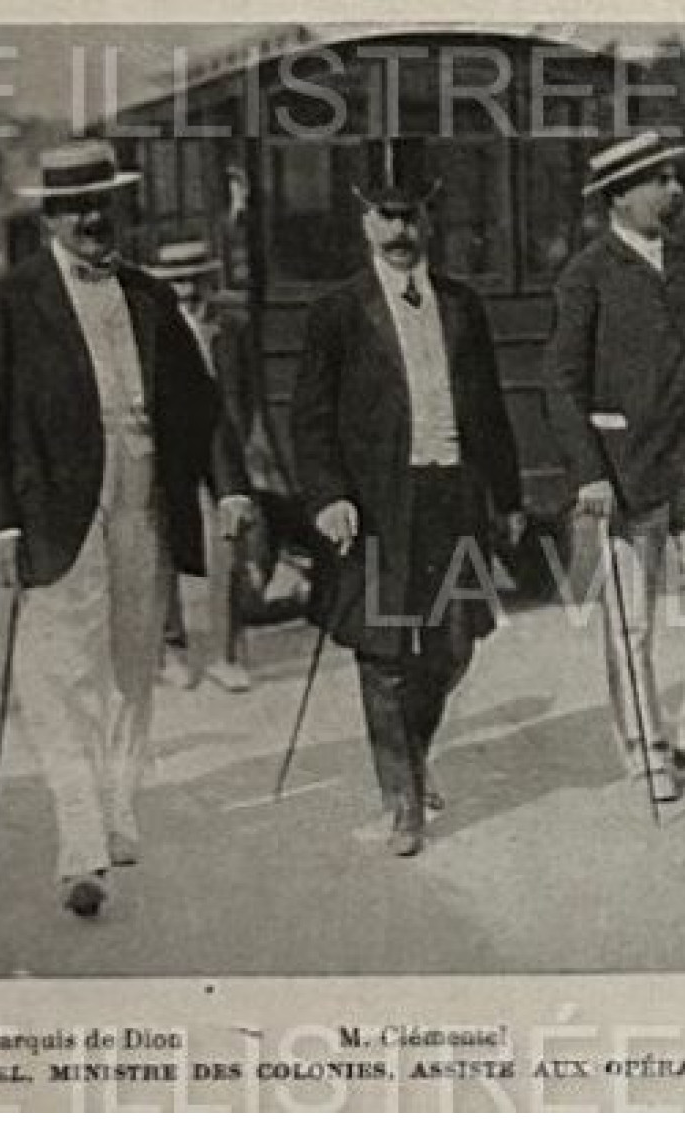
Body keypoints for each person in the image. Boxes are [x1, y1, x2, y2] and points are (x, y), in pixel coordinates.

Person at [0, 141, 251, 918]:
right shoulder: (13, 301)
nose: (93, 218)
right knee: (58, 673)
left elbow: (202, 406)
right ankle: (79, 834)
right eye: (76, 206)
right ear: (51, 216)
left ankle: (119, 806)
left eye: (105, 204)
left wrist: (230, 488)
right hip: (56, 508)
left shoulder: (150, 296)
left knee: (129, 663)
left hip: (143, 500)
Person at [291, 151, 525, 857]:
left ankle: (413, 759)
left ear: (429, 220)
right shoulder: (335, 313)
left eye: (411, 215)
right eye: (385, 216)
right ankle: (402, 799)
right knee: (384, 648)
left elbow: (487, 408)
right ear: (364, 222)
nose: (399, 230)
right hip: (378, 502)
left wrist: (507, 496)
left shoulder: (462, 304)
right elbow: (310, 417)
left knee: (454, 642)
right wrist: (327, 495)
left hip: (452, 496)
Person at [543, 130, 685, 803]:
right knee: (632, 619)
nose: (675, 190)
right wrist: (588, 470)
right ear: (620, 194)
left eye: (673, 177)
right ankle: (646, 751)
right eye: (659, 179)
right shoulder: (585, 274)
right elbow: (559, 380)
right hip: (625, 471)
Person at [147, 239, 284, 694]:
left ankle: (227, 653)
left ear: (207, 279)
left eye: (193, 280)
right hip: (171, 446)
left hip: (224, 443)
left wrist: (248, 444)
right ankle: (172, 650)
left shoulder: (231, 325)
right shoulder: (151, 325)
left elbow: (250, 390)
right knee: (162, 545)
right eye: (176, 282)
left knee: (229, 543)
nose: (186, 290)